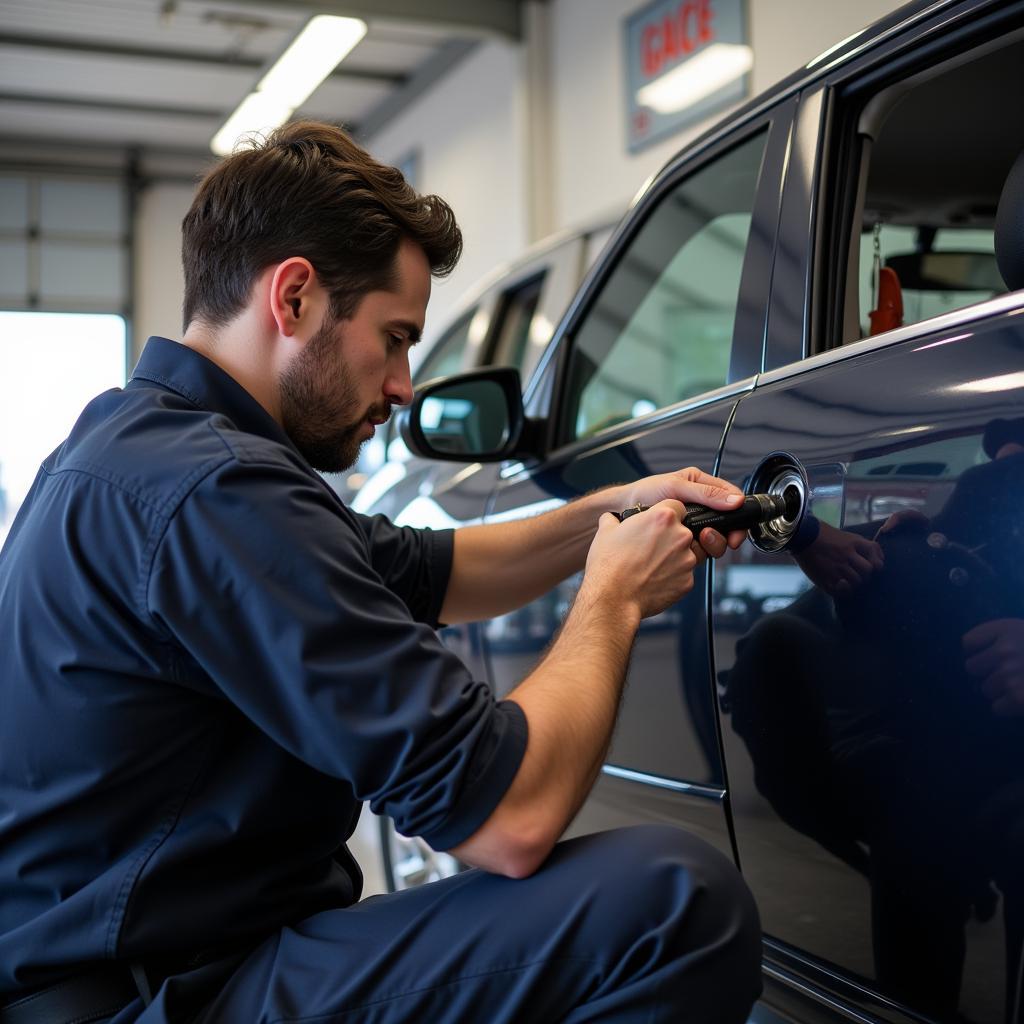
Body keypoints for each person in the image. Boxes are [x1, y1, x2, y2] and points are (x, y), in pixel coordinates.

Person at [0, 121, 761, 1024]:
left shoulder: (138, 444)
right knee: (675, 903)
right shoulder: (221, 492)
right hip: (163, 997)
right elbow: (512, 822)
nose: (404, 387)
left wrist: (609, 513)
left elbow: (439, 570)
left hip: (121, 970)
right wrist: (614, 597)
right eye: (394, 339)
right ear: (293, 298)